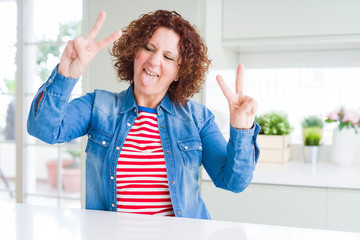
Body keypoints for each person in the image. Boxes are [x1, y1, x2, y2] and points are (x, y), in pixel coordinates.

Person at [27, 10, 260, 219]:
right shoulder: (98, 105)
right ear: (135, 52)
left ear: (180, 72)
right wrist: (66, 74)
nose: (154, 60)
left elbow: (233, 182)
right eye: (149, 48)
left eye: (169, 57)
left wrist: (241, 129)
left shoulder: (198, 118)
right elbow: (44, 130)